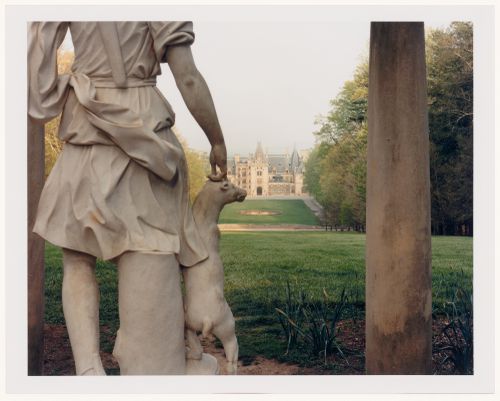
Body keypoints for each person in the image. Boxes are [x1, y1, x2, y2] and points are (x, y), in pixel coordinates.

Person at [28, 21, 227, 375]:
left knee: (77, 257)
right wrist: (217, 139)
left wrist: (63, 85)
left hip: (86, 122)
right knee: (147, 248)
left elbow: (37, 69)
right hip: (144, 128)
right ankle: (156, 367)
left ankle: (88, 368)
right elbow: (189, 78)